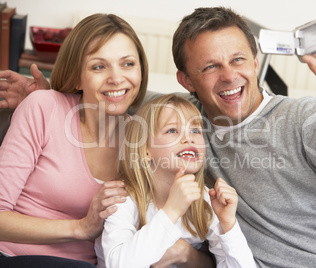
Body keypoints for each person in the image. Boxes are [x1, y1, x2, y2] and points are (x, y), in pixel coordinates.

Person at [1, 6, 316, 268]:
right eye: (211, 66)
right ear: (186, 79)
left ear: (256, 62)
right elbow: (126, 108)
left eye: (238, 59)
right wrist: (56, 95)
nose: (229, 76)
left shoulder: (304, 118)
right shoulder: (182, 135)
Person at [0, 13, 212, 268]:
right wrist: (81, 228)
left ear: (141, 72)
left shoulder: (145, 137)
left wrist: (188, 254)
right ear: (76, 76)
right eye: (99, 66)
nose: (116, 78)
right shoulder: (43, 107)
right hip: (12, 256)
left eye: (127, 64)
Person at [96, 94, 255, 268]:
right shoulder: (123, 197)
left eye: (195, 130)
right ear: (145, 150)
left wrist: (228, 225)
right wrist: (172, 210)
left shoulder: (205, 200)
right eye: (172, 130)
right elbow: (118, 264)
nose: (189, 138)